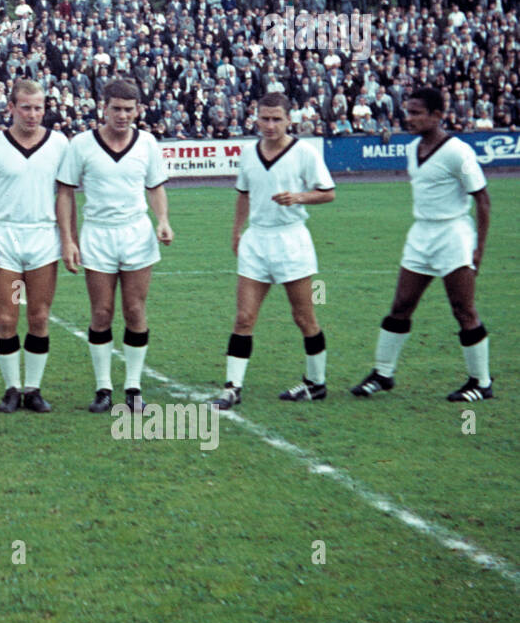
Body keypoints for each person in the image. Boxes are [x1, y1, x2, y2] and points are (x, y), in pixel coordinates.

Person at [353, 88, 494, 402]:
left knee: (463, 310)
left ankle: (481, 382)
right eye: (409, 111)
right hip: (421, 235)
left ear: (437, 116)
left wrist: (478, 248)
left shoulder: (458, 151)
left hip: (453, 235)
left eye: (417, 112)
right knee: (401, 305)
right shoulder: (412, 148)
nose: (410, 118)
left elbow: (482, 200)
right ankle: (383, 373)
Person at [211, 93, 335, 410]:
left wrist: (299, 197)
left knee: (304, 317)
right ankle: (232, 387)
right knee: (244, 318)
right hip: (257, 240)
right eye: (264, 118)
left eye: (276, 118)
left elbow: (328, 193)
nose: (270, 125)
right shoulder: (249, 153)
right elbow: (243, 195)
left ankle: (316, 383)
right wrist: (237, 231)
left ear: (288, 120)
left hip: (292, 241)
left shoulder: (304, 153)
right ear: (256, 118)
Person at [56, 79, 172, 414]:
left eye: (128, 109)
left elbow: (156, 187)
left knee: (135, 310)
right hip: (98, 234)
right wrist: (68, 239)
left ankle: (133, 387)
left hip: (136, 233)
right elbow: (65, 193)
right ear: (103, 108)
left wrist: (162, 220)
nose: (122, 115)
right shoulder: (81, 144)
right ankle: (103, 387)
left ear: (138, 110)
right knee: (102, 312)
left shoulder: (147, 143)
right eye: (116, 108)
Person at [0, 79, 67, 412]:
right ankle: (11, 388)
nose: (32, 114)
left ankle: (33, 388)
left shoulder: (59, 144)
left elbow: (66, 195)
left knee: (39, 316)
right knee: (8, 318)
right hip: (6, 243)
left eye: (38, 107)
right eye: (25, 107)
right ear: (10, 107)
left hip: (42, 242)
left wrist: (68, 240)